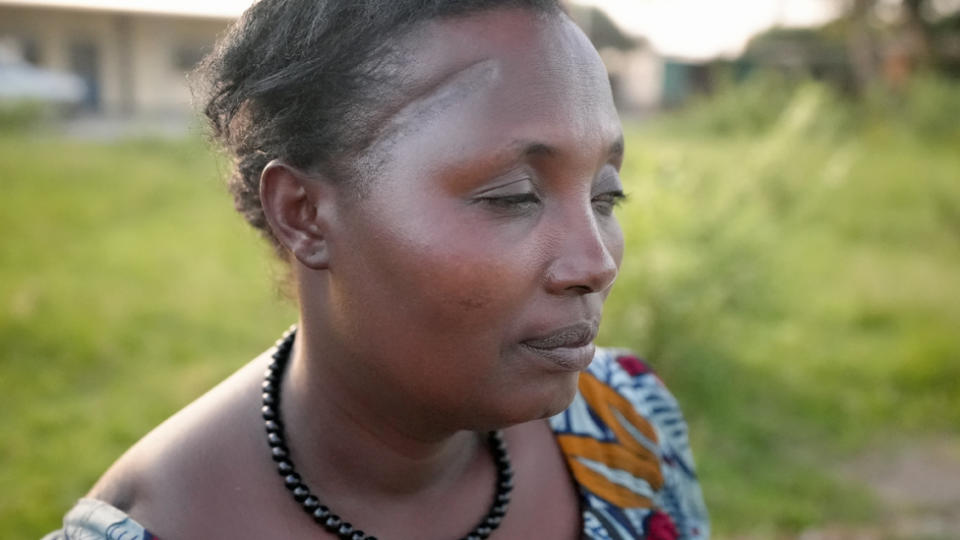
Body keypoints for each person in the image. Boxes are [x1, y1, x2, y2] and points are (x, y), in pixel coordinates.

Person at [45, 0, 709, 538]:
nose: (595, 262)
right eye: (512, 195)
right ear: (303, 214)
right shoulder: (156, 524)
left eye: (605, 194)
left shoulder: (629, 425)